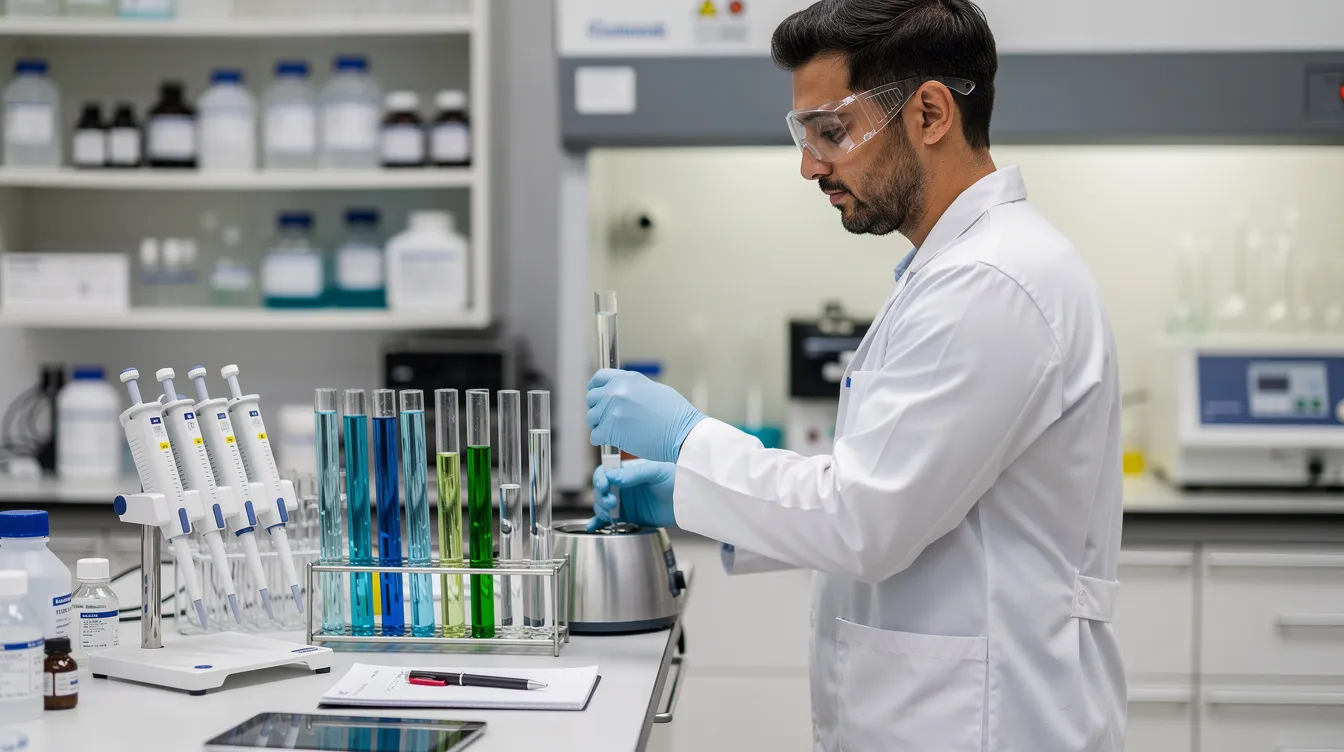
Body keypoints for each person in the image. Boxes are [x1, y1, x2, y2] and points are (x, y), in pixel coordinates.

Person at [584, 0, 1126, 749]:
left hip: (988, 722)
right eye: (804, 135)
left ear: (930, 112)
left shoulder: (994, 282)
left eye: (831, 132)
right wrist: (690, 491)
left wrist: (690, 443)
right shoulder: (955, 270)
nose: (810, 164)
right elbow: (892, 490)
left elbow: (865, 520)